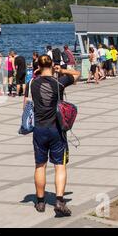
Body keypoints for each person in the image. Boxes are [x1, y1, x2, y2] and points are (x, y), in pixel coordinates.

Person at [24, 55, 80, 217]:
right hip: (56, 129)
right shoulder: (59, 83)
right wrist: (61, 70)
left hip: (39, 129)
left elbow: (26, 107)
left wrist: (36, 74)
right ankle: (59, 200)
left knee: (40, 165)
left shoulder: (32, 83)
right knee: (59, 166)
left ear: (38, 67)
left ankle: (40, 202)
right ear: (52, 65)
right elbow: (76, 74)